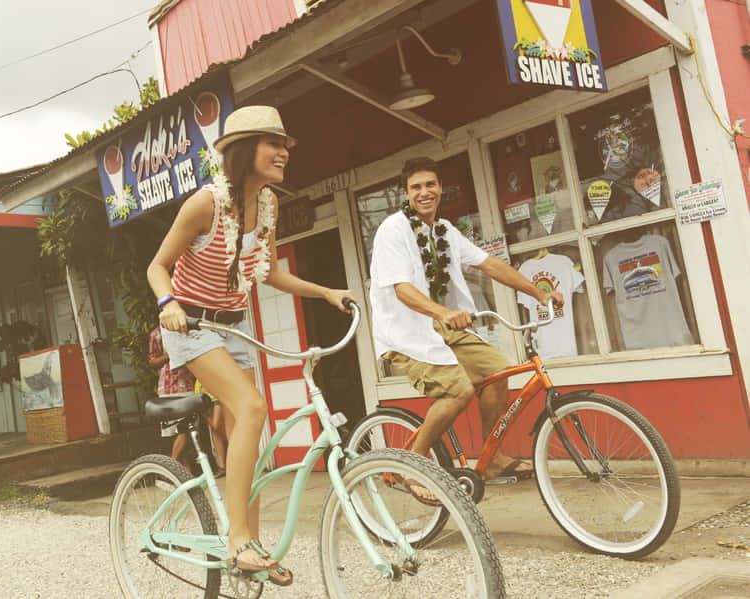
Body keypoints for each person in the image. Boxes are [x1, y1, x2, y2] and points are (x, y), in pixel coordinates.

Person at [147, 105, 353, 586]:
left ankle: (249, 547)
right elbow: (158, 265)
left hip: (234, 326)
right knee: (255, 405)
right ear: (243, 153)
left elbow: (272, 271)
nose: (283, 152)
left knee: (251, 437)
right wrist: (167, 304)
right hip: (191, 326)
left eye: (284, 145)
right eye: (272, 144)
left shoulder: (268, 205)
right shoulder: (205, 204)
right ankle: (237, 539)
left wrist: (326, 292)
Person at [369, 156, 564, 501]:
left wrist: (539, 293)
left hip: (445, 326)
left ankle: (491, 458)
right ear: (406, 193)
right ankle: (412, 464)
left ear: (441, 188)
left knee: (498, 371)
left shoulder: (445, 232)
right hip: (406, 331)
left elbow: (490, 264)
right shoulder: (393, 230)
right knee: (459, 391)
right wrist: (443, 312)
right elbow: (401, 288)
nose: (424, 192)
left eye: (431, 185)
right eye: (416, 187)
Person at [147, 325, 196, 469]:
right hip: (168, 388)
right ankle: (176, 469)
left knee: (186, 430)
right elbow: (152, 361)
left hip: (187, 385)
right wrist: (169, 355)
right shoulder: (156, 333)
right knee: (178, 433)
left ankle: (176, 469)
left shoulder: (186, 330)